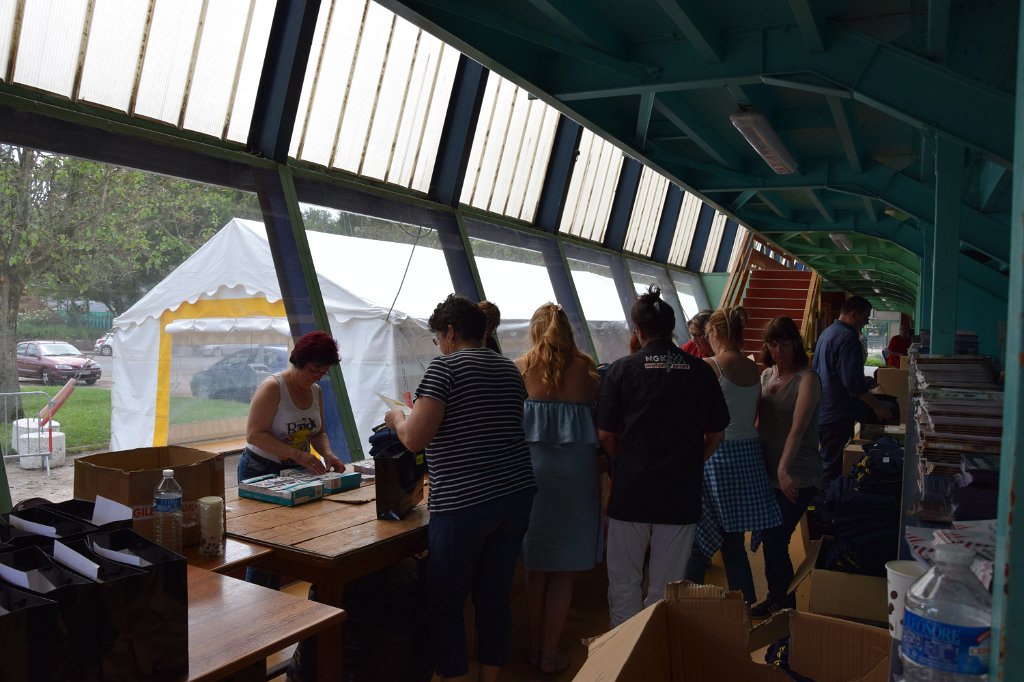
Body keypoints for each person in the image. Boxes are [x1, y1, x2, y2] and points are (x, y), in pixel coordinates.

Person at [385, 294, 535, 682]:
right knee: (494, 598)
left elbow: (415, 439)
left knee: (446, 603)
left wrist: (397, 418)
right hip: (515, 495)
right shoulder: (509, 370)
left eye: (438, 338)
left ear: (451, 332)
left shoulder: (445, 368)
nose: (439, 346)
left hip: (465, 503)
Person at [597, 286, 730, 628]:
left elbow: (606, 435)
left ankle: (623, 652)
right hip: (679, 493)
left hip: (631, 491)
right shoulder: (701, 372)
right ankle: (654, 647)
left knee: (624, 583)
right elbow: (717, 434)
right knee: (665, 588)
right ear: (672, 329)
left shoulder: (621, 370)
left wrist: (623, 463)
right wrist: (692, 462)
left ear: (637, 330)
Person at [237, 329, 346, 680]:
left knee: (288, 544)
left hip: (292, 472)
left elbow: (318, 430)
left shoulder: (315, 391)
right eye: (314, 370)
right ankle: (254, 629)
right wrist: (298, 455)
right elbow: (254, 434)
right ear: (298, 360)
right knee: (262, 552)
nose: (317, 377)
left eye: (323, 372)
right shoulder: (273, 388)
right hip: (260, 470)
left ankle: (273, 618)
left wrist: (327, 453)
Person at [515, 303, 600, 678]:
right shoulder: (586, 369)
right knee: (563, 571)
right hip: (576, 477)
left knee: (536, 567)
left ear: (535, 330)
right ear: (568, 330)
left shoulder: (519, 368)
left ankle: (535, 647)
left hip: (533, 475)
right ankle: (551, 654)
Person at [683, 306, 781, 606]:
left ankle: (682, 604)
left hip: (717, 456)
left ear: (715, 333)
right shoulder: (754, 368)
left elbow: (695, 415)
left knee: (698, 541)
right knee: (733, 543)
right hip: (748, 456)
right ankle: (744, 606)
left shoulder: (710, 366)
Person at [750, 316, 822, 618]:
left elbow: (797, 429)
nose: (779, 351)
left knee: (776, 536)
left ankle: (784, 605)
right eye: (773, 344)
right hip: (768, 473)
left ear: (796, 344)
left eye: (785, 344)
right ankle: (778, 598)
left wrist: (783, 469)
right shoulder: (767, 375)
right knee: (772, 538)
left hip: (797, 474)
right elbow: (757, 421)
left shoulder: (808, 380)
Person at [812, 296, 894, 484]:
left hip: (823, 409)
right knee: (833, 466)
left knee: (826, 460)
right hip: (838, 413)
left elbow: (830, 372)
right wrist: (878, 407)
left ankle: (824, 496)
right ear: (853, 315)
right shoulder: (849, 338)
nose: (866, 323)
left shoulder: (827, 333)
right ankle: (828, 499)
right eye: (865, 318)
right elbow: (853, 384)